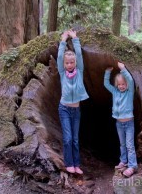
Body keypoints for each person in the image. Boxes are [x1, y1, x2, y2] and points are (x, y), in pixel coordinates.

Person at [57, 30, 89, 175]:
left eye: (72, 62)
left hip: (76, 110)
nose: (69, 64)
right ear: (64, 64)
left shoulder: (80, 71)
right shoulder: (63, 73)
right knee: (68, 138)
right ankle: (69, 163)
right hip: (64, 109)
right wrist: (63, 40)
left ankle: (76, 164)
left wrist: (75, 39)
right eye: (67, 63)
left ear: (75, 63)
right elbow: (59, 57)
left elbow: (80, 55)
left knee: (75, 139)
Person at [104, 61, 138, 177]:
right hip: (119, 123)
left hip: (129, 123)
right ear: (116, 85)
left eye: (123, 84)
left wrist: (123, 69)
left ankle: (132, 166)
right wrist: (107, 72)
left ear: (126, 85)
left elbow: (131, 81)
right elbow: (106, 85)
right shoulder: (115, 92)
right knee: (122, 144)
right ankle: (123, 161)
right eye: (119, 84)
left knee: (129, 145)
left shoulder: (129, 92)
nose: (122, 86)